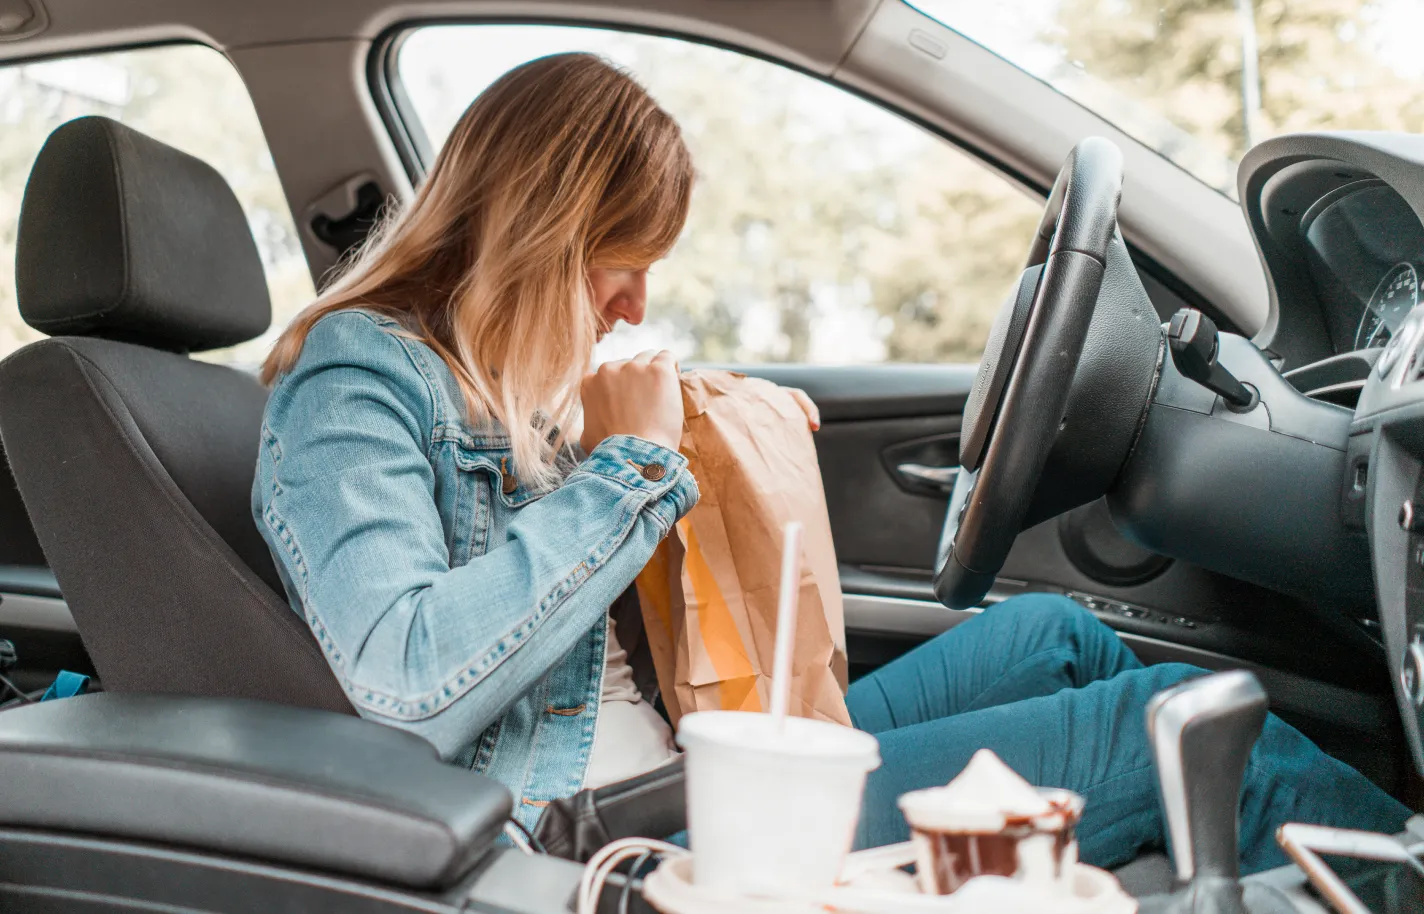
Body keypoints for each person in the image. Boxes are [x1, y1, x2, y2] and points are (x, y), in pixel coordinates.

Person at [253, 52, 1409, 873]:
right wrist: (631, 469)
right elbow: (407, 683)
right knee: (1175, 724)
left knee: (1058, 640)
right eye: (622, 259)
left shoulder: (505, 387)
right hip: (608, 831)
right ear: (539, 233)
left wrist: (721, 442)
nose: (634, 303)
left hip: (682, 761)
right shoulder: (357, 378)